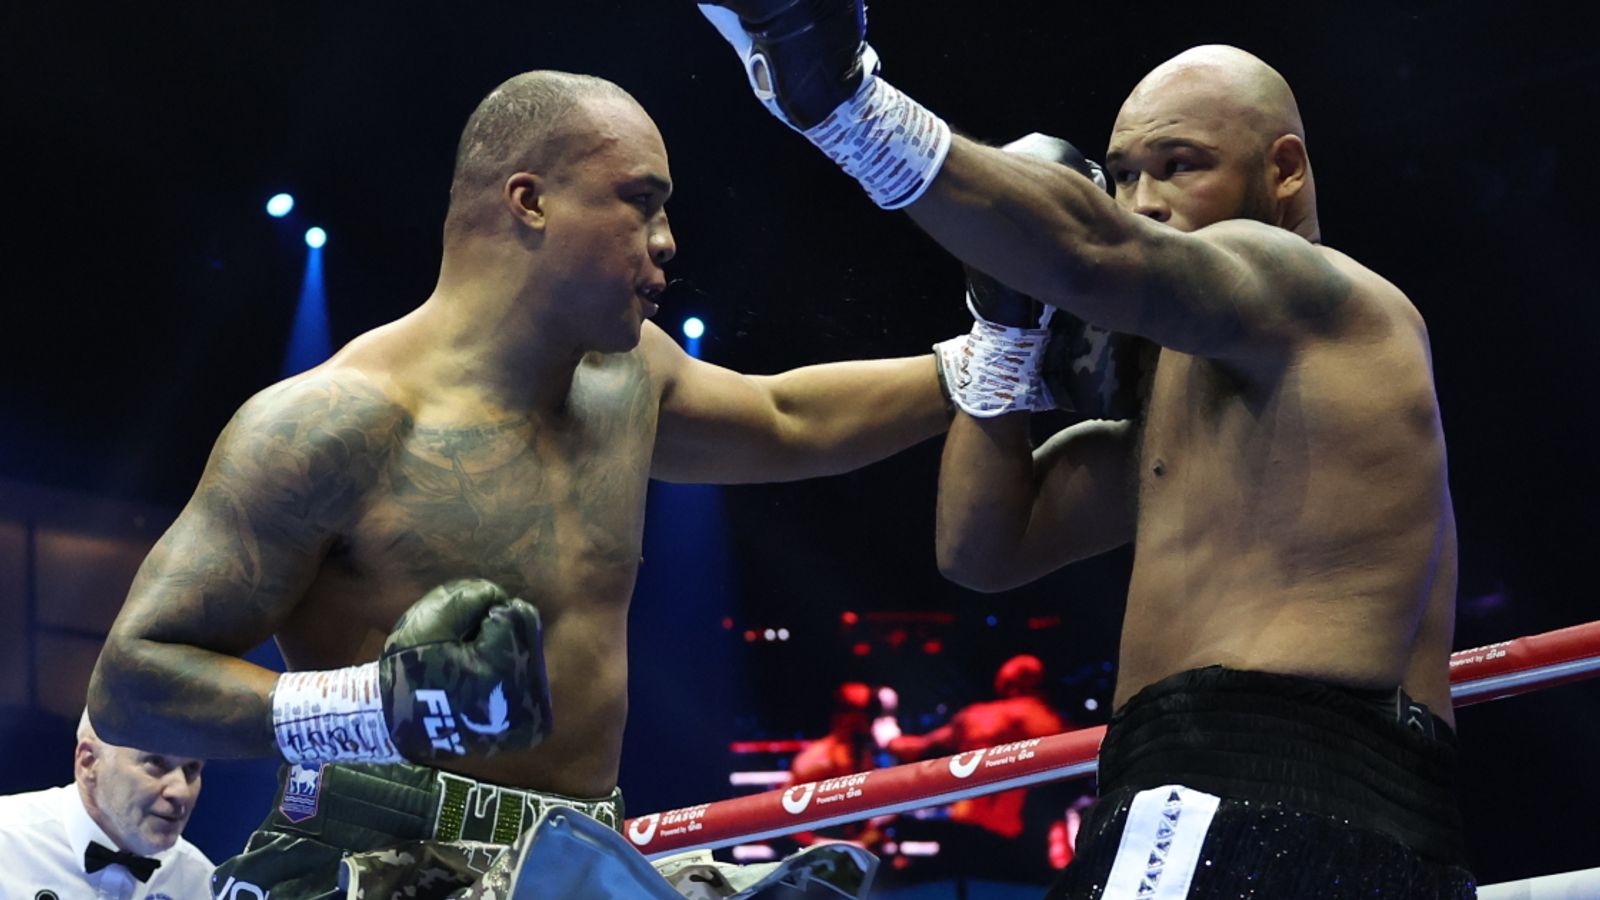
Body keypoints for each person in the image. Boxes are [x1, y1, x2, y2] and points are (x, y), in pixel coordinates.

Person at [87, 69, 950, 897]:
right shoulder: (333, 423)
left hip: (578, 852)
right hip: (381, 852)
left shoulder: (628, 376)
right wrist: (372, 708)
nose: (667, 241)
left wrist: (984, 367)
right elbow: (130, 684)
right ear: (529, 200)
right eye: (640, 202)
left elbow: (788, 418)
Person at [700, 5, 1473, 897]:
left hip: (1271, 784)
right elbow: (982, 550)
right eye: (1122, 176)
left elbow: (1093, 251)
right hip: (1222, 800)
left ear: (1284, 171)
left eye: (1181, 166)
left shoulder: (1320, 295)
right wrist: (1004, 329)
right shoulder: (1200, 405)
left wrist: (848, 109)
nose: (1146, 203)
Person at [0, 710, 213, 899]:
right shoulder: (7, 841)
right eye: (155, 763)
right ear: (89, 762)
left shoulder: (201, 883)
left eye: (192, 769)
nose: (181, 791)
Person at [888, 654, 1067, 840]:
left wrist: (892, 742)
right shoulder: (1043, 719)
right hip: (1009, 830)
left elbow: (919, 746)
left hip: (967, 822)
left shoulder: (976, 716)